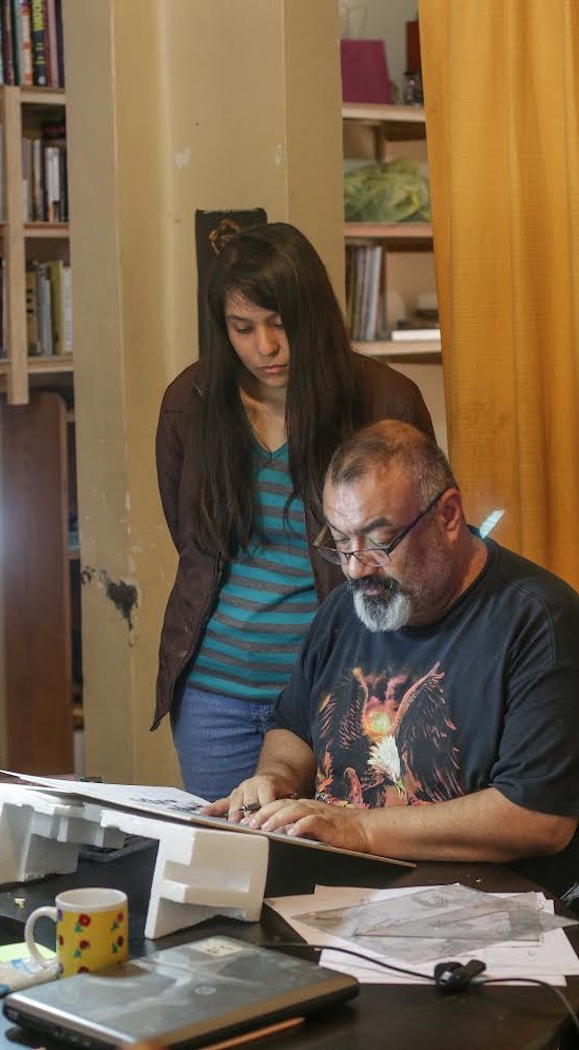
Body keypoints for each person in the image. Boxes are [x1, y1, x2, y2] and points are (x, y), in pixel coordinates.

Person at [205, 419, 579, 896]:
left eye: (379, 541)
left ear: (447, 515)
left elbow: (538, 818)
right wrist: (274, 777)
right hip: (332, 894)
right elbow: (293, 726)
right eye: (340, 543)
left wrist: (359, 830)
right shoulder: (346, 609)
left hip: (473, 911)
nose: (357, 568)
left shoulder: (539, 621)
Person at [154, 222, 435, 801]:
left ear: (314, 315)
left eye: (280, 324)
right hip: (215, 696)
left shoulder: (384, 401)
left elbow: (416, 547)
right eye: (243, 328)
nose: (265, 347)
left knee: (336, 874)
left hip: (342, 690)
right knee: (229, 871)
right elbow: (191, 540)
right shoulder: (192, 401)